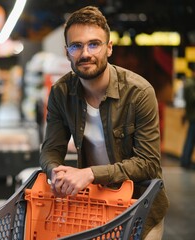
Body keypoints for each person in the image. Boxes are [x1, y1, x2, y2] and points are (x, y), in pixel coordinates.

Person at [39, 6, 169, 240]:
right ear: (67, 51)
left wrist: (89, 173)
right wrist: (55, 172)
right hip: (95, 205)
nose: (85, 53)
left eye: (94, 44)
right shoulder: (61, 92)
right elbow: (50, 150)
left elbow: (148, 163)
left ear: (109, 48)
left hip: (140, 207)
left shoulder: (138, 92)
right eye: (76, 46)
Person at [180, 66, 195, 168]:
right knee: (190, 139)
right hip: (193, 115)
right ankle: (185, 161)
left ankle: (185, 161)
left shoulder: (189, 83)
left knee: (190, 138)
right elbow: (191, 99)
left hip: (191, 114)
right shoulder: (190, 84)